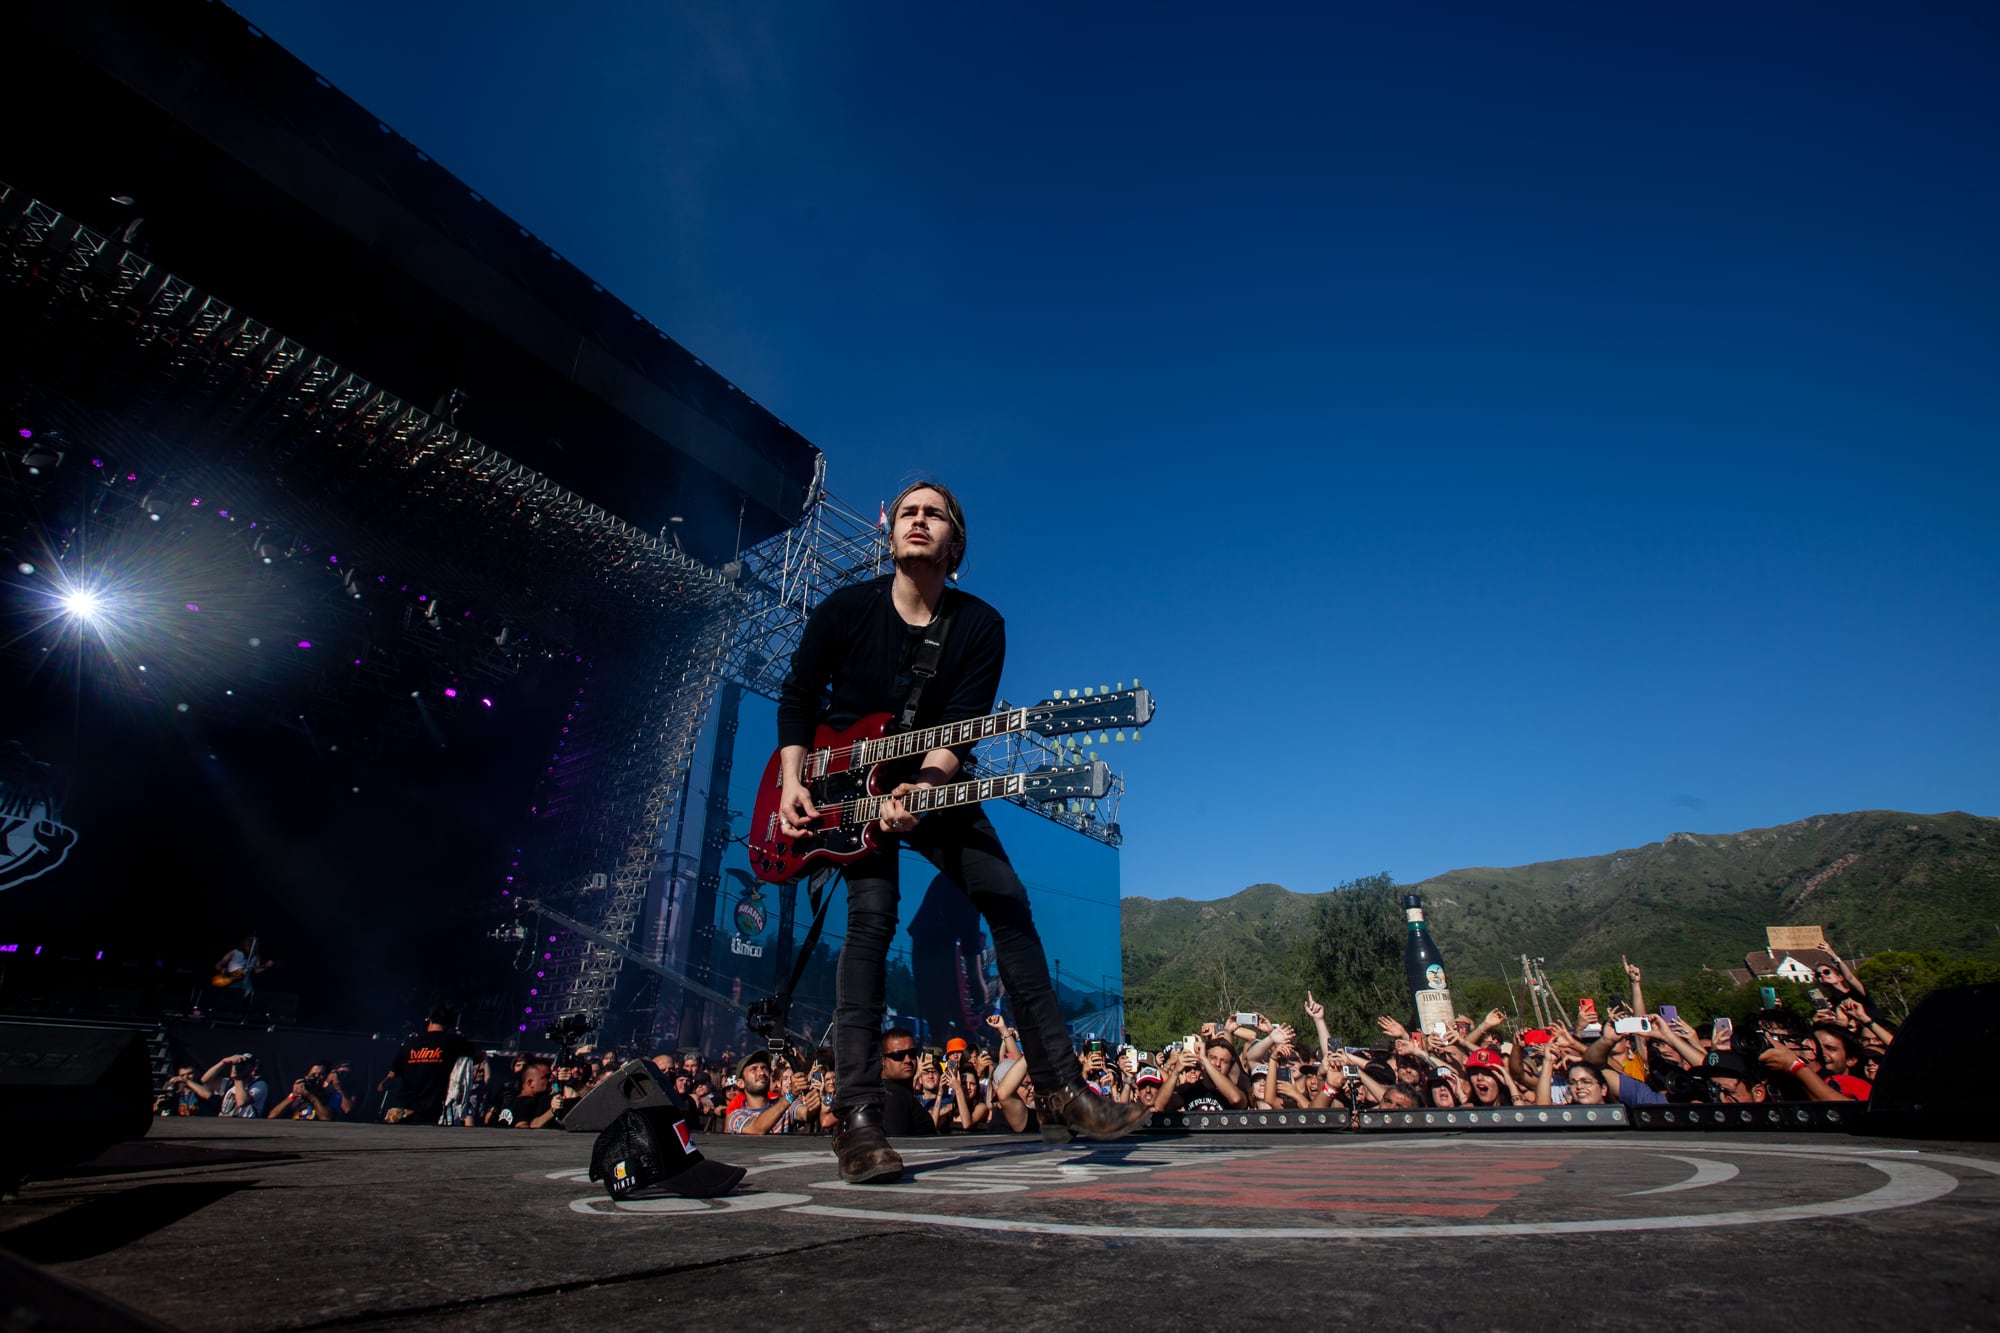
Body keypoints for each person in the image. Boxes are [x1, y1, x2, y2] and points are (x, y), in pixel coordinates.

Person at [774, 481, 1147, 1183]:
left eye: (933, 514)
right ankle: (858, 1120)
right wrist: (796, 781)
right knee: (871, 922)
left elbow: (964, 723)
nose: (917, 520)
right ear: (893, 533)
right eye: (908, 512)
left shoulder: (980, 624)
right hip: (840, 789)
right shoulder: (845, 611)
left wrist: (923, 784)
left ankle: (1063, 1087)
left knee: (1006, 901)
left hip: (931, 784)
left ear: (956, 544)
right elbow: (799, 695)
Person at [379, 1003, 474, 1125]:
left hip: (401, 1107)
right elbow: (478, 1056)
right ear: (449, 1024)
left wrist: (383, 1085)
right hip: (427, 1110)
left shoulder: (409, 1043)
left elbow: (389, 1078)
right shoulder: (454, 1041)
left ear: (429, 1021)